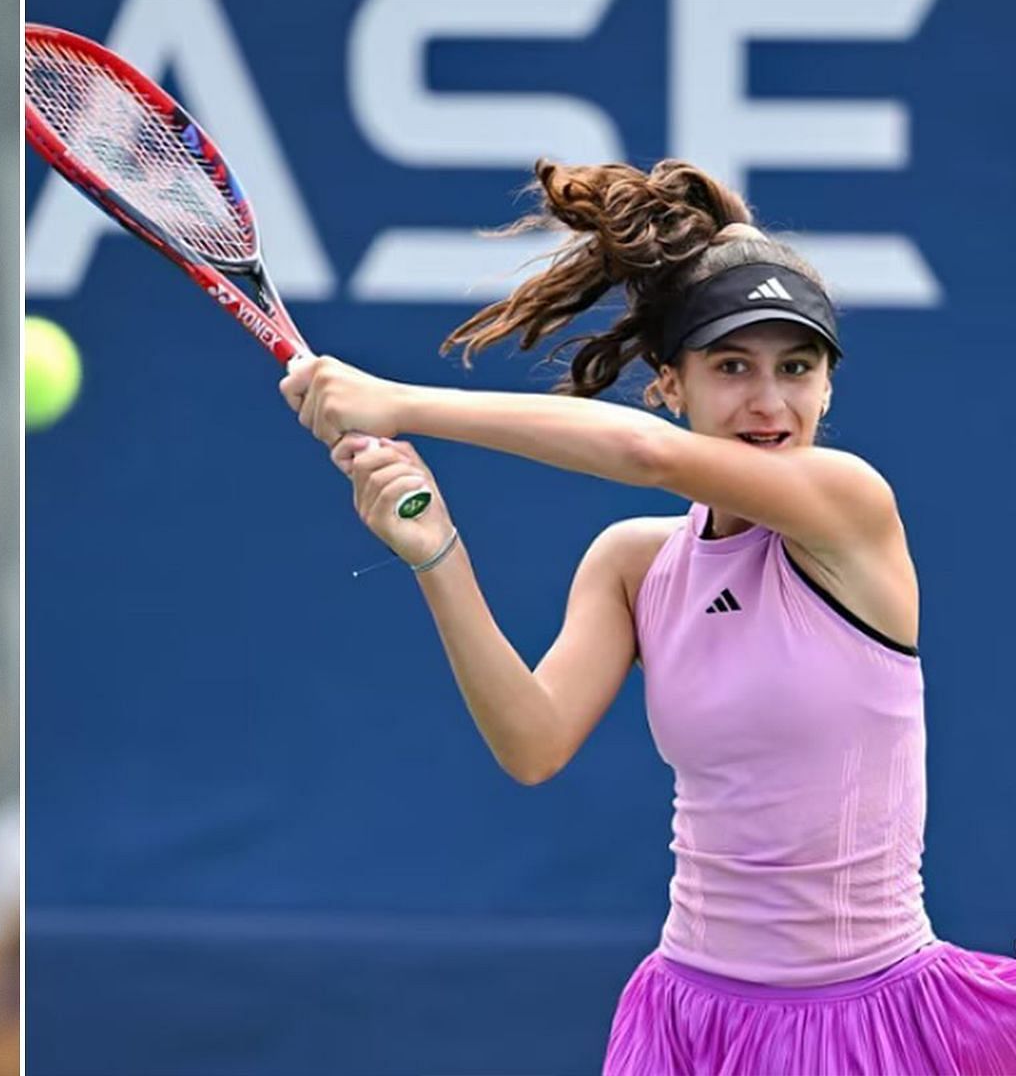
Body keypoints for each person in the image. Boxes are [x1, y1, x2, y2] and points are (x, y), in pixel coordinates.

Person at [279, 158, 1016, 1073]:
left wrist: (404, 404)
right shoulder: (635, 564)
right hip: (687, 1019)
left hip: (869, 1016)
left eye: (798, 367)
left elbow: (647, 455)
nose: (770, 400)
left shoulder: (851, 507)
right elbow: (532, 744)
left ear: (829, 385)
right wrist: (438, 555)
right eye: (732, 366)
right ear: (671, 383)